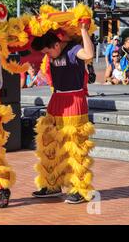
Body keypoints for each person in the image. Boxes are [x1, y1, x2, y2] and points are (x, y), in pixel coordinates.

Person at [30, 22, 96, 204]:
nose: (47, 56)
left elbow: (89, 54)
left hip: (74, 100)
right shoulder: (54, 50)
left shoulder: (74, 50)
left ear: (57, 45)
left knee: (75, 147)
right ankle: (52, 184)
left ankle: (80, 190)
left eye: (47, 52)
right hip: (56, 100)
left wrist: (83, 30)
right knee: (50, 145)